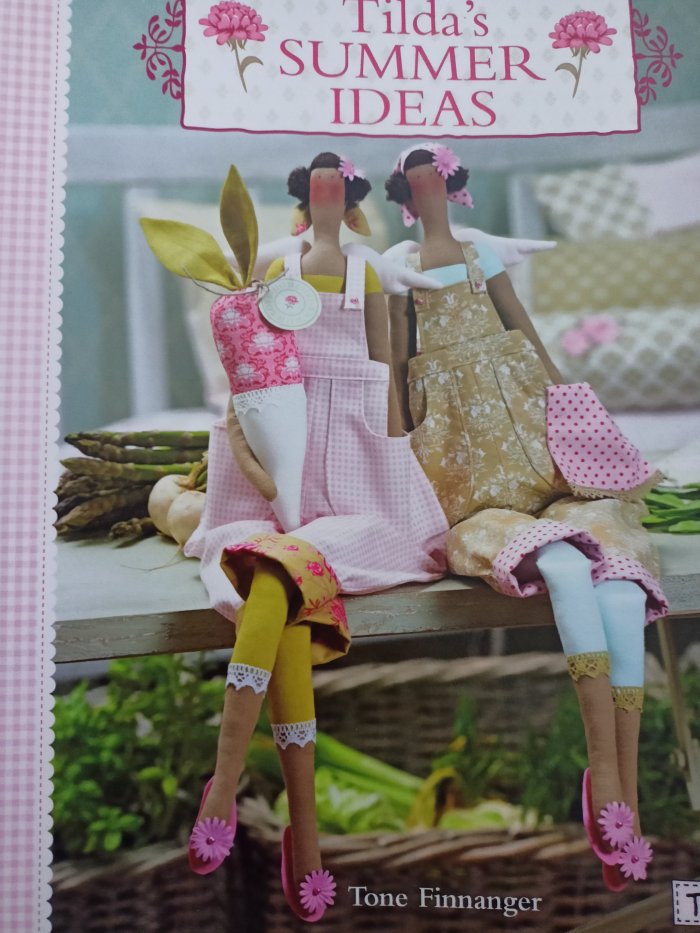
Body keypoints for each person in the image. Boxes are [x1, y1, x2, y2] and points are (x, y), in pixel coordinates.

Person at [384, 144, 666, 889]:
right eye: (416, 181)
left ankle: (620, 792)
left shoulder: (481, 256)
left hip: (537, 454)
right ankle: (607, 772)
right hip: (467, 478)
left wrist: (573, 406)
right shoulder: (400, 269)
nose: (428, 190)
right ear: (405, 195)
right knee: (566, 566)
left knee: (621, 589)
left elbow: (527, 333)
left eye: (436, 177)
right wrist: (392, 449)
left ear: (451, 186)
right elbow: (395, 364)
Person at [184, 151, 448, 920]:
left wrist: (399, 459)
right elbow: (248, 362)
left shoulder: (370, 273)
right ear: (305, 199)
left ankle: (229, 787)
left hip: (361, 474)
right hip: (277, 467)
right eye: (317, 189)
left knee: (281, 571)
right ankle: (298, 830)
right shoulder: (273, 263)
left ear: (351, 200)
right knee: (279, 583)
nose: (328, 199)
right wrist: (247, 453)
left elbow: (389, 364)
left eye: (339, 189)